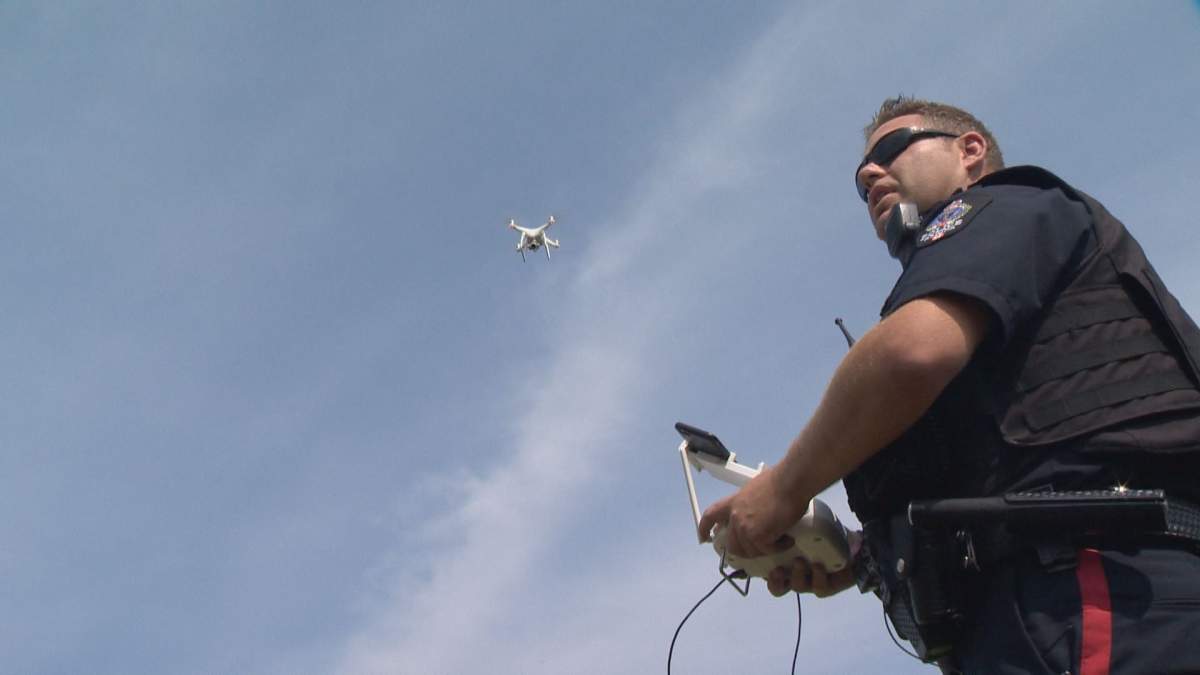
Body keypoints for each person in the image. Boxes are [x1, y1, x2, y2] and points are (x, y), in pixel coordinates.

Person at [697, 97, 1200, 674]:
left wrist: (782, 490)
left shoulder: (1009, 206)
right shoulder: (986, 298)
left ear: (970, 151)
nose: (869, 176)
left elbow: (912, 352)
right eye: (861, 183)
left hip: (1099, 594)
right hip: (1036, 617)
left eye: (890, 151)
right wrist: (861, 560)